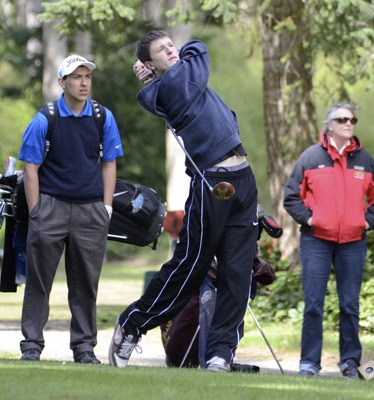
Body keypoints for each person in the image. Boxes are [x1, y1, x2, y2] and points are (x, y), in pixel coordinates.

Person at [108, 30, 258, 372]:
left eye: (171, 45)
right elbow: (200, 48)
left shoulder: (178, 78)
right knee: (192, 265)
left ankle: (220, 352)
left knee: (237, 272)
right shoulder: (169, 87)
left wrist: (163, 65)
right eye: (162, 50)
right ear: (149, 65)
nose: (172, 50)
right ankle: (132, 324)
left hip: (243, 179)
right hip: (213, 181)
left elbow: (191, 56)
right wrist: (173, 61)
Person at [18, 54, 123, 363]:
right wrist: (37, 210)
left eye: (87, 76)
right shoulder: (45, 118)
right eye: (76, 77)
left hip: (91, 211)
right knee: (39, 282)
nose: (83, 82)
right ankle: (32, 346)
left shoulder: (103, 117)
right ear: (62, 82)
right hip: (51, 208)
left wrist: (106, 207)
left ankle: (84, 348)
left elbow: (109, 163)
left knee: (86, 284)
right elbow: (31, 168)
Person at [283, 102, 374, 379]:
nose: (349, 123)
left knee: (350, 305)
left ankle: (350, 363)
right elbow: (291, 196)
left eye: (352, 119)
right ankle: (309, 363)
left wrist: (367, 221)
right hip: (316, 240)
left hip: (353, 242)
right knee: (314, 304)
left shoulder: (365, 161)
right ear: (329, 125)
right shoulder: (310, 157)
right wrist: (309, 219)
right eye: (342, 119)